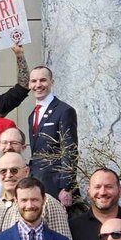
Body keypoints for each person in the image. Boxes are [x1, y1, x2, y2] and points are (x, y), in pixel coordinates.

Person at [0, 152, 74, 240]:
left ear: (26, 171)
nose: (8, 175)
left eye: (14, 170)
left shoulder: (47, 202)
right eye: (3, 171)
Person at [27, 65, 78, 205]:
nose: (38, 85)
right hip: (37, 183)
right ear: (29, 84)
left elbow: (70, 149)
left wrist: (66, 187)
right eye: (34, 81)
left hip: (56, 186)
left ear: (51, 82)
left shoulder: (64, 111)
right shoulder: (32, 115)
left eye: (43, 80)